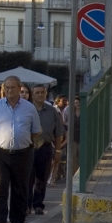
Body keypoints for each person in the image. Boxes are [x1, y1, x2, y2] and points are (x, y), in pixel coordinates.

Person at [0, 76, 41, 223]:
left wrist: (20, 139)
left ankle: (17, 221)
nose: (9, 91)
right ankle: (0, 221)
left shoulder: (29, 108)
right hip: (1, 153)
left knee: (20, 188)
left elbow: (35, 131)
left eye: (12, 88)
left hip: (23, 153)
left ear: (19, 88)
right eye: (7, 88)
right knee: (1, 187)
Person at [29, 85, 65, 215]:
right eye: (37, 92)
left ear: (46, 94)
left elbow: (58, 133)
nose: (39, 95)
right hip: (28, 147)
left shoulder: (52, 111)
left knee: (42, 177)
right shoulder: (27, 110)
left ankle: (38, 204)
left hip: (45, 147)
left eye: (42, 92)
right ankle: (27, 204)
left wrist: (58, 152)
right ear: (32, 95)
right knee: (28, 177)